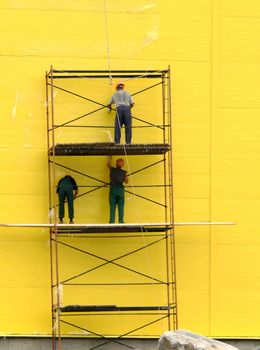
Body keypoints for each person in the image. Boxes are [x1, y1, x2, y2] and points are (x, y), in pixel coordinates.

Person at [107, 156, 128, 224]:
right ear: (122, 165)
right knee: (121, 206)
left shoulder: (112, 169)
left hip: (113, 189)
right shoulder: (124, 172)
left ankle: (111, 222)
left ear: (116, 164)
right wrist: (125, 176)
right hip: (120, 190)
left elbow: (108, 164)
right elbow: (126, 181)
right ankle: (121, 221)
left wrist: (109, 158)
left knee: (112, 206)